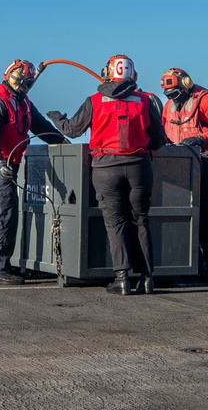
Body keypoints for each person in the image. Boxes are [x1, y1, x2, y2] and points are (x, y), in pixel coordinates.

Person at [46, 55, 167, 295]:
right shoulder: (143, 101)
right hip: (139, 167)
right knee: (140, 220)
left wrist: (56, 117)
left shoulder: (95, 101)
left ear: (107, 72)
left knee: (116, 223)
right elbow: (158, 140)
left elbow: (72, 128)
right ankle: (147, 278)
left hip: (105, 167)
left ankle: (122, 278)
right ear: (133, 75)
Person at [0, 59, 66, 285]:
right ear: (12, 77)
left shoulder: (23, 101)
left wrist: (64, 141)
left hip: (9, 162)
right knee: (4, 212)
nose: (25, 86)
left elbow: (41, 127)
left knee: (7, 212)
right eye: (23, 82)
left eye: (29, 83)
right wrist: (0, 163)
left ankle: (3, 264)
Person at [160, 68, 208, 280]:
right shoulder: (169, 105)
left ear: (186, 84)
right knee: (180, 212)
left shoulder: (205, 98)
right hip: (178, 161)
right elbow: (163, 130)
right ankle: (192, 263)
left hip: (204, 160)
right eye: (169, 94)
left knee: (205, 214)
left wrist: (202, 138)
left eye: (175, 93)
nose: (173, 98)